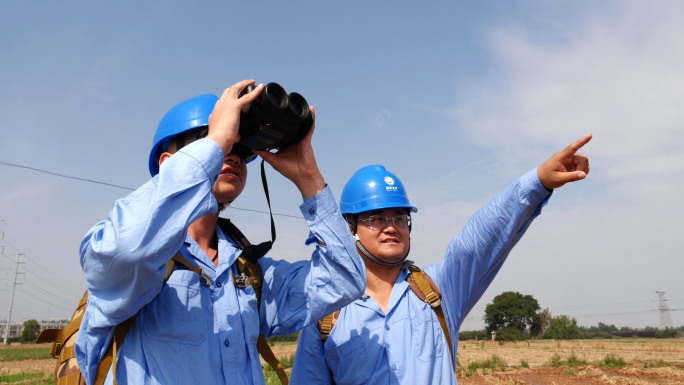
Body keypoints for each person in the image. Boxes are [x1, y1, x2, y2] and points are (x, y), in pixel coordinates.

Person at [74, 79, 366, 385]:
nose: (231, 153)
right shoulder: (140, 267)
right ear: (167, 163)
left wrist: (309, 179)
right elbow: (124, 250)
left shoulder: (249, 273)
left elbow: (345, 280)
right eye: (209, 140)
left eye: (239, 146)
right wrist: (214, 145)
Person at [290, 135, 592, 384]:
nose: (391, 226)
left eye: (399, 217)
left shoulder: (438, 290)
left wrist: (538, 182)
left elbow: (479, 240)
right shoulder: (326, 312)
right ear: (350, 228)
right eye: (376, 218)